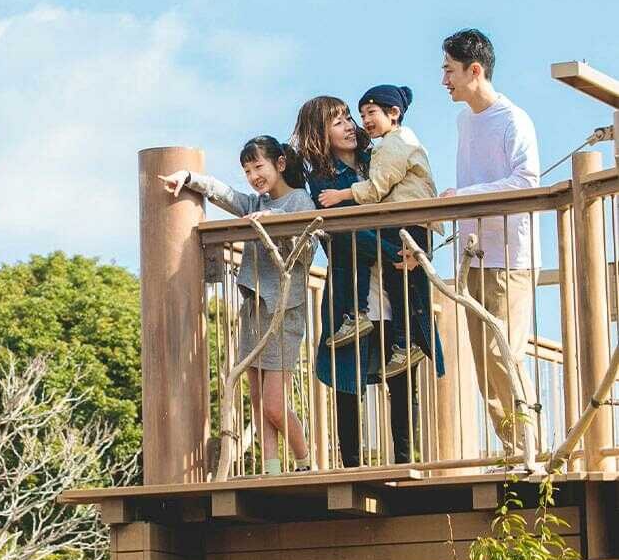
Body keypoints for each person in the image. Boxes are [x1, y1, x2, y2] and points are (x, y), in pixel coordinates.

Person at [294, 96, 443, 467]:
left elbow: (416, 205)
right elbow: (348, 232)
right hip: (354, 293)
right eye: (338, 121)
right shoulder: (322, 181)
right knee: (349, 380)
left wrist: (418, 249)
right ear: (320, 132)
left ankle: (409, 463)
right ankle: (352, 467)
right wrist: (396, 252)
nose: (348, 125)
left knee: (403, 377)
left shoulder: (377, 159)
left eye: (349, 118)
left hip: (398, 287)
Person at [159, 136, 313, 475]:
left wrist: (271, 220)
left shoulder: (299, 200)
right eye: (247, 170)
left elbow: (306, 248)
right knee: (257, 400)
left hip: (285, 312)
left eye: (259, 166)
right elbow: (224, 194)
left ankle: (305, 463)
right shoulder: (254, 202)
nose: (254, 175)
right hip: (255, 309)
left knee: (274, 403)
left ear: (280, 163)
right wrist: (188, 177)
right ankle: (273, 471)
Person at [439, 28, 540, 459]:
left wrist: (461, 198)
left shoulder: (513, 120)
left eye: (449, 70)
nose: (444, 80)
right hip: (473, 255)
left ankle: (529, 448)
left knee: (506, 355)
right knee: (483, 362)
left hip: (510, 257)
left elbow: (527, 181)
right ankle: (512, 448)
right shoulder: (464, 120)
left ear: (473, 70)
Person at [315, 85, 441, 377]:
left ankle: (396, 339)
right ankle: (401, 343)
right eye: (360, 114)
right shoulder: (394, 143)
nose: (362, 121)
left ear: (393, 113)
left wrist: (341, 195)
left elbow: (376, 188)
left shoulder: (394, 145)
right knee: (399, 287)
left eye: (369, 112)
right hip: (409, 222)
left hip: (408, 223)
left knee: (398, 284)